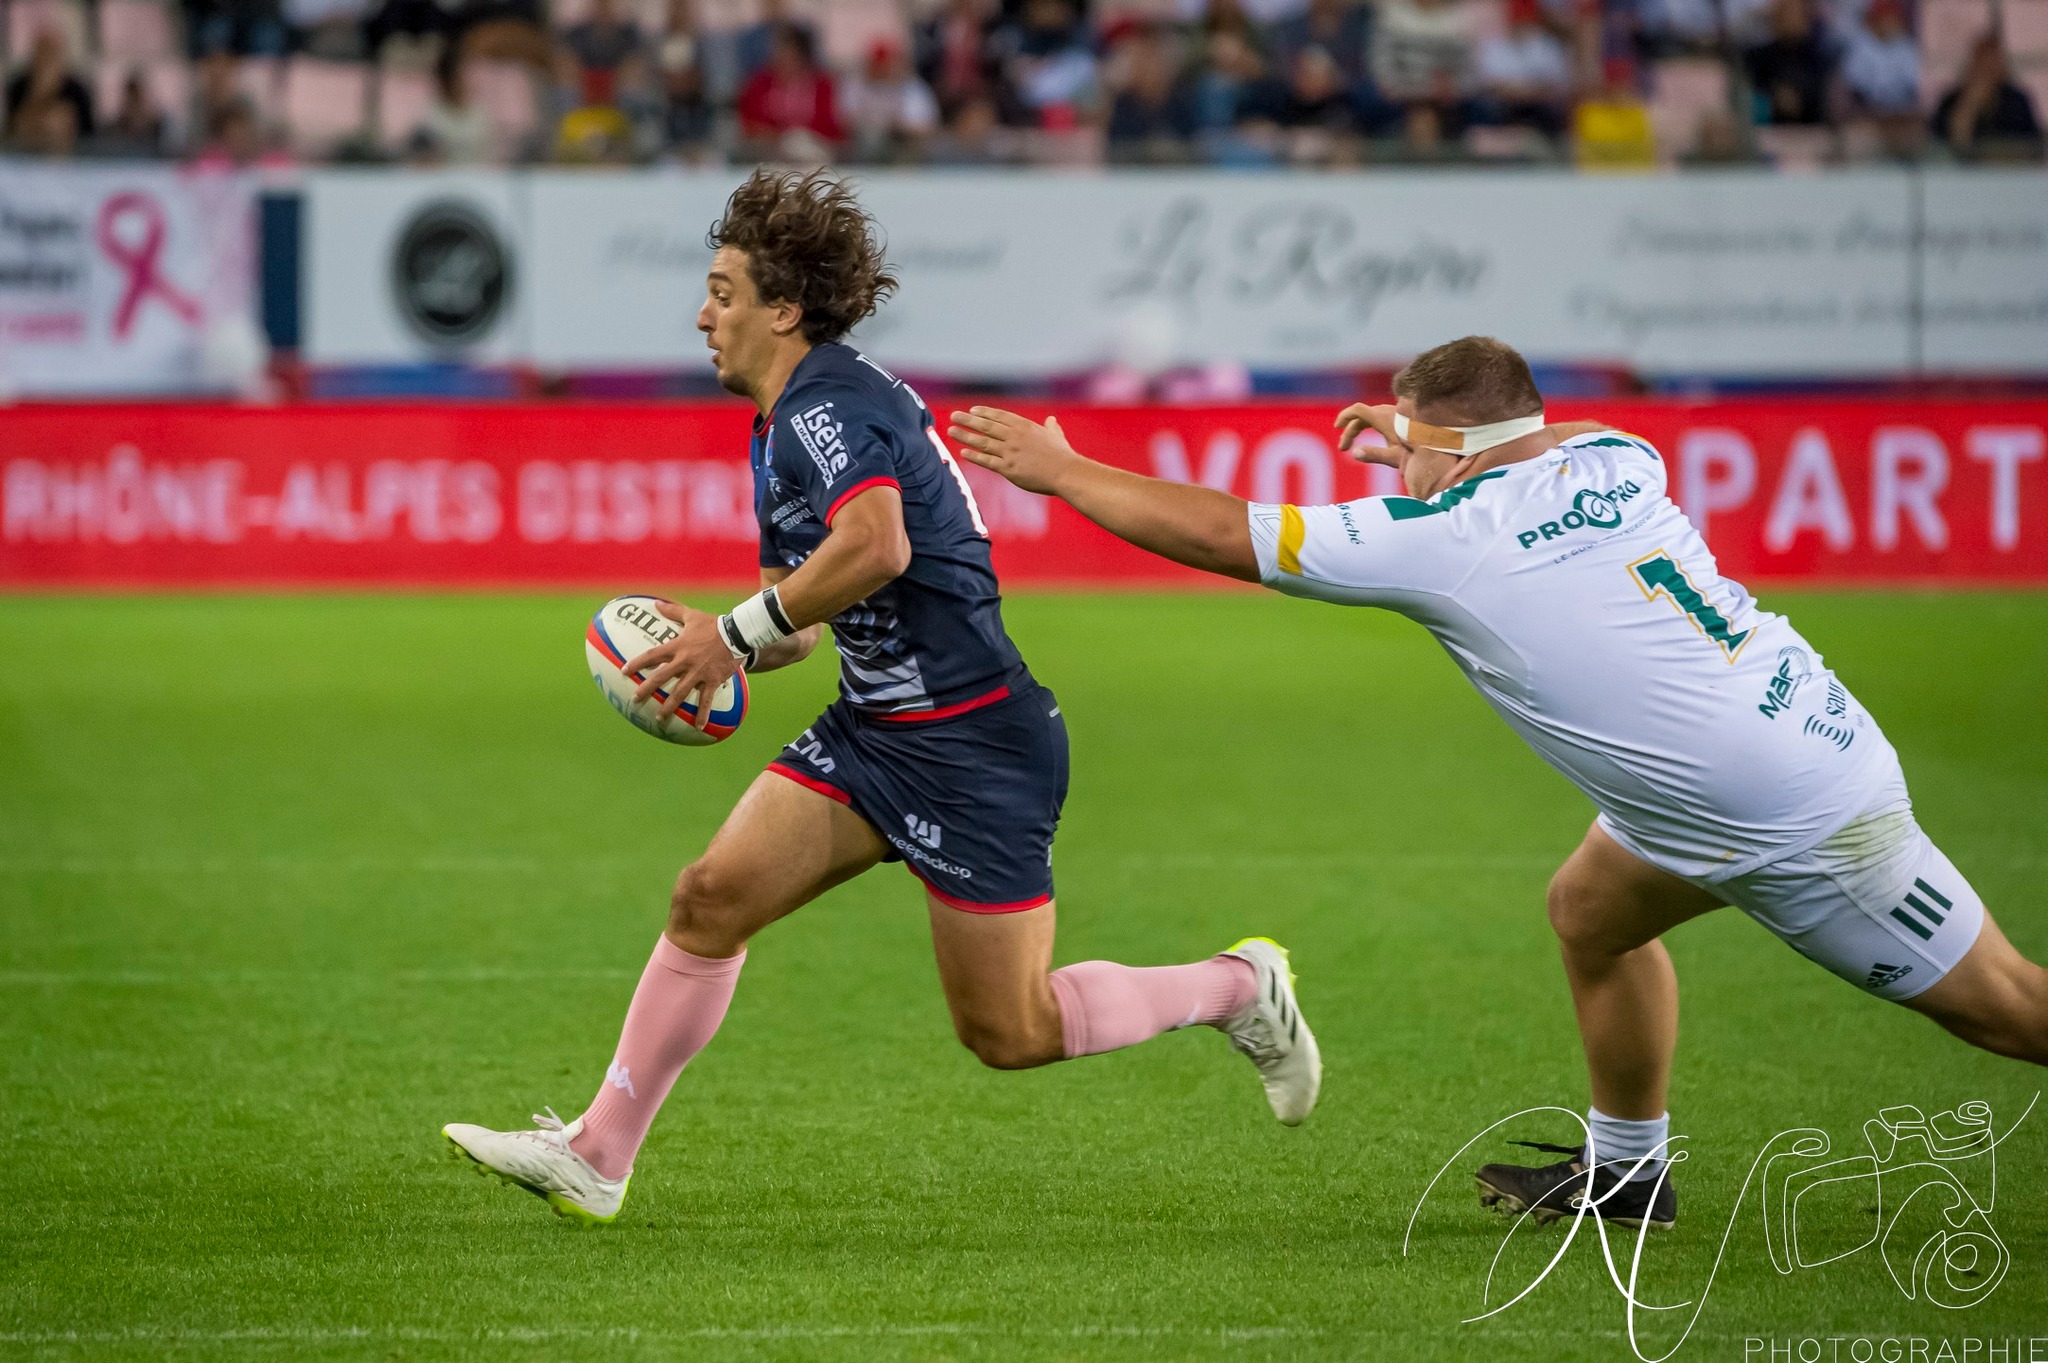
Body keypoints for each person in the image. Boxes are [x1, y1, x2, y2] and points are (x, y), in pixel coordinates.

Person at [945, 335, 2048, 1231]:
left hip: (1795, 817)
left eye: (1412, 442)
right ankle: (1628, 1171)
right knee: (1590, 913)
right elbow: (1525, 441)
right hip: (1744, 763)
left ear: (1455, 449)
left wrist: (1063, 471)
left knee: (2007, 1009)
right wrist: (1414, 440)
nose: (1400, 465)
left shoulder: (1451, 534)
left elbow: (1227, 533)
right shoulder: (1614, 455)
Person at [442, 170, 1321, 1226]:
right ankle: (596, 1154)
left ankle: (1236, 987)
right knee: (709, 900)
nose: (702, 317)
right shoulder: (782, 421)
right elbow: (803, 620)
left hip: (976, 745)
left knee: (1010, 1031)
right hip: (875, 732)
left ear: (782, 309)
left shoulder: (826, 405)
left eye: (722, 293)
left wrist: (730, 635)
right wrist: (711, 646)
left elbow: (877, 545)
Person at [1931, 33, 2043, 161]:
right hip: (1963, 171)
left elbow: (2033, 146)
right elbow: (1942, 146)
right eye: (1982, 60)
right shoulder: (1950, 101)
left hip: (2010, 170)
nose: (1987, 68)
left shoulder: (2017, 101)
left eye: (1993, 61)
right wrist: (1970, 104)